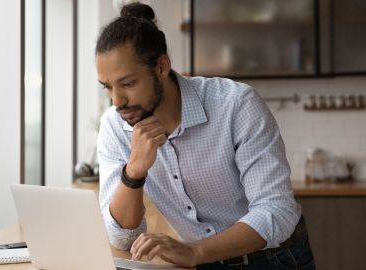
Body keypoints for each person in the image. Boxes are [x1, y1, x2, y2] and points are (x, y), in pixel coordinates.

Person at [95, 2, 316, 270]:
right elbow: (122, 236)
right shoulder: (115, 126)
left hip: (273, 260)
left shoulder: (236, 105)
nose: (117, 101)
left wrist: (194, 252)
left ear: (161, 67)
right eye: (108, 87)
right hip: (202, 262)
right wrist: (134, 171)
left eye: (128, 84)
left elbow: (276, 211)